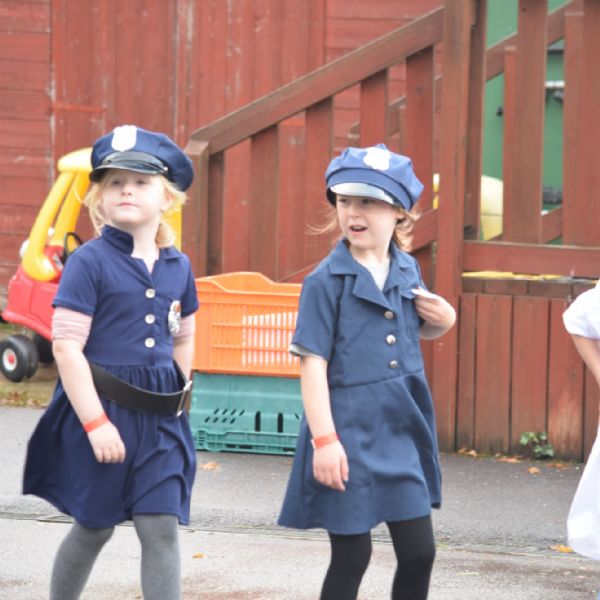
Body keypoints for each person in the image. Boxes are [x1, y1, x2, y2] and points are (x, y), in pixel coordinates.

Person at [23, 125, 199, 600]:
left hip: (161, 421)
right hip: (101, 412)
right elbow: (66, 348)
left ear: (167, 198)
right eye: (115, 182)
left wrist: (182, 394)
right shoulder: (89, 262)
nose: (126, 190)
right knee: (94, 528)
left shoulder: (179, 266)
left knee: (161, 528)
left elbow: (184, 334)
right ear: (99, 200)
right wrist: (96, 423)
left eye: (141, 182)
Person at [278, 144, 456, 600]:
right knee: (352, 556)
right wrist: (325, 441)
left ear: (399, 211)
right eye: (345, 201)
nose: (353, 213)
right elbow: (312, 364)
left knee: (419, 553)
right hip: (346, 431)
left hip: (401, 426)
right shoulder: (324, 282)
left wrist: (444, 320)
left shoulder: (407, 267)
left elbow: (411, 331)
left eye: (369, 202)